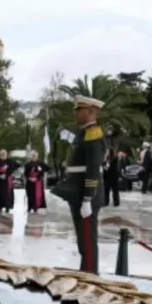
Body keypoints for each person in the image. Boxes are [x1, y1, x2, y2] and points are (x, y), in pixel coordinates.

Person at [51, 95, 105, 274]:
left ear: (91, 111)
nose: (75, 113)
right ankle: (86, 272)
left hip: (85, 194)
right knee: (83, 241)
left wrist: (88, 198)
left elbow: (93, 168)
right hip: (78, 193)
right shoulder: (82, 134)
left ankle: (90, 275)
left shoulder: (93, 134)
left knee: (88, 241)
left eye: (79, 110)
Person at [0, 149, 18, 213]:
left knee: (7, 194)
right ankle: (0, 207)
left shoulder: (10, 162)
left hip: (7, 180)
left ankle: (7, 207)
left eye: (4, 154)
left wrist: (6, 175)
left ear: (6, 154)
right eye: (1, 154)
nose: (3, 155)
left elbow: (12, 168)